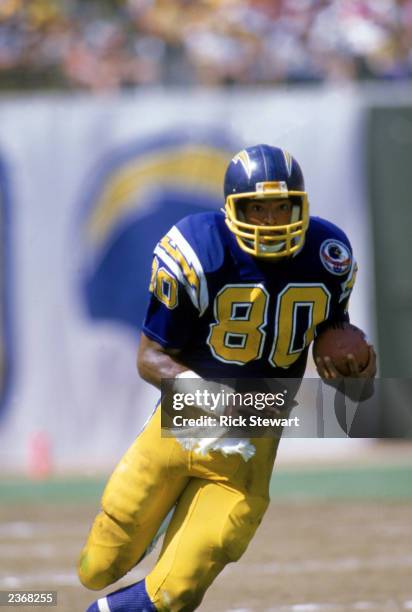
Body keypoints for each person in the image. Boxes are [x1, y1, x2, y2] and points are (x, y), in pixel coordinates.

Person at [78, 144, 376, 611]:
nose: (272, 221)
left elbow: (343, 363)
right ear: (234, 208)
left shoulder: (328, 255)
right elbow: (150, 357)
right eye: (258, 208)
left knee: (177, 592)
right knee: (97, 564)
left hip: (249, 448)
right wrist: (211, 398)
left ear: (301, 206)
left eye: (283, 208)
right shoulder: (200, 249)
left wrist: (356, 369)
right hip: (180, 428)